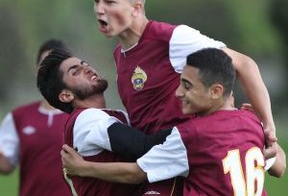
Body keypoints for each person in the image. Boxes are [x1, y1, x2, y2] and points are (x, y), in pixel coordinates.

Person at [60, 48, 286, 195]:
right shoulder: (249, 121)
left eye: (187, 85)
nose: (178, 93)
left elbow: (137, 172)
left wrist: (85, 168)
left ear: (216, 91)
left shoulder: (192, 135)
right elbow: (280, 167)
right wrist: (263, 131)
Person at [94, 0, 277, 153]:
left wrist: (267, 125)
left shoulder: (172, 38)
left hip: (192, 161)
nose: (99, 10)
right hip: (158, 163)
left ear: (136, 8)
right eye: (97, 1)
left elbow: (244, 64)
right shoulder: (119, 54)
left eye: (110, 2)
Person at [36, 49, 175, 196]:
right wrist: (193, 128)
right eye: (75, 72)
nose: (87, 69)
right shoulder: (85, 119)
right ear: (66, 95)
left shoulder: (116, 115)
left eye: (85, 64)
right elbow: (143, 147)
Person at [0, 39, 72, 196]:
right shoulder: (18, 117)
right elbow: (6, 166)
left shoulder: (81, 117)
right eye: (44, 65)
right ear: (36, 70)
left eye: (56, 66)